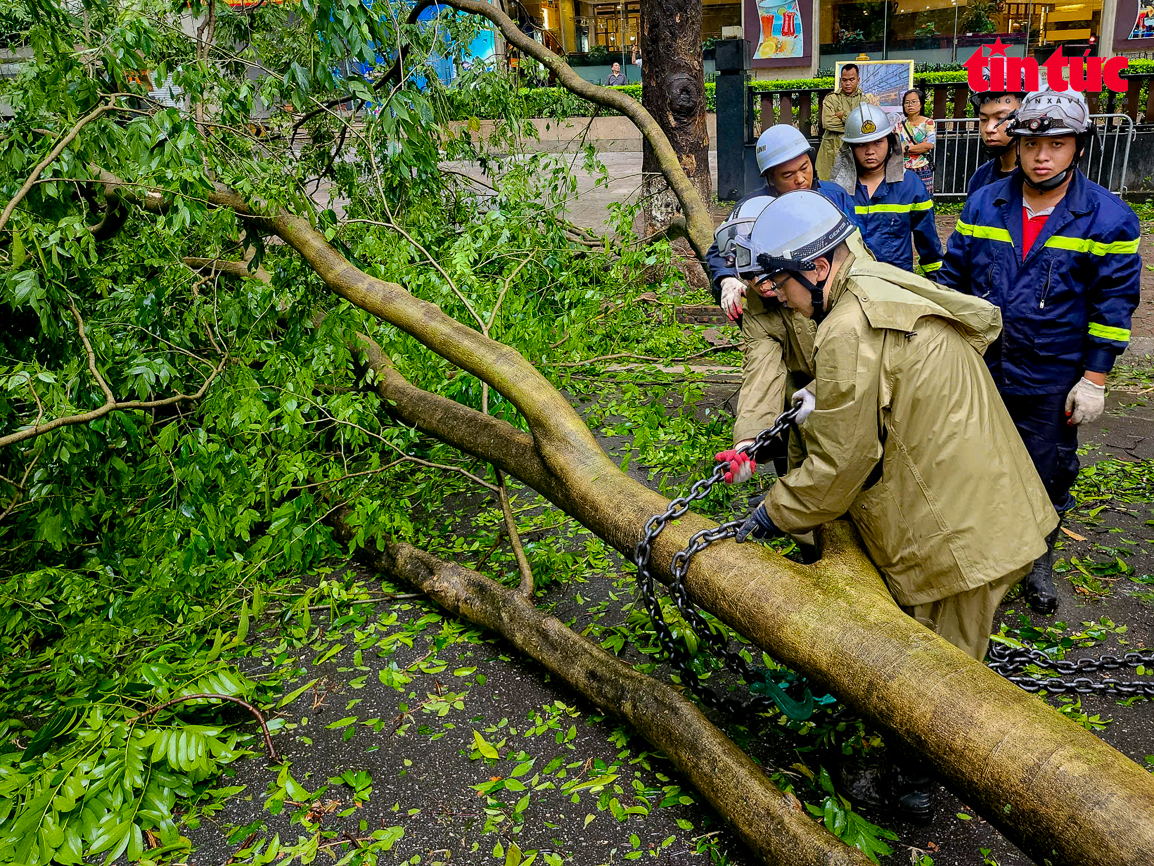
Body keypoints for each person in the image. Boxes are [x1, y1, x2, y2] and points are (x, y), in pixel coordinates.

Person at [726, 190, 1058, 818]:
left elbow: (838, 466)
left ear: (817, 268)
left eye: (782, 284)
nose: (779, 297)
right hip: (983, 493)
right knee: (945, 650)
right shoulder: (870, 279)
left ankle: (913, 786)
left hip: (968, 530)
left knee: (938, 673)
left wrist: (773, 512)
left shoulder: (846, 330)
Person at [937, 89, 1141, 615]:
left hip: (1053, 373)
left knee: (1046, 468)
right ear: (1018, 144)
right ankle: (982, 552)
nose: (1042, 155)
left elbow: (1114, 304)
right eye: (1031, 143)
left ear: (1077, 146)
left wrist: (1094, 380)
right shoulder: (984, 202)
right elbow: (953, 281)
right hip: (984, 365)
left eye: (1056, 143)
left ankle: (1038, 559)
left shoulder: (1109, 219)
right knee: (975, 462)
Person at [707, 124, 862, 321]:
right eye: (788, 175)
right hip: (779, 308)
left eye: (805, 168)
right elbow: (720, 250)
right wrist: (727, 278)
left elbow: (857, 244)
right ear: (770, 178)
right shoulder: (754, 208)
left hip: (831, 301)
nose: (800, 179)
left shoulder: (834, 197)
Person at [829, 104, 943, 275]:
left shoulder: (910, 186)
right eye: (861, 144)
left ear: (890, 142)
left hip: (895, 285)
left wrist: (938, 286)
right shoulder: (837, 192)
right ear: (849, 148)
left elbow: (929, 245)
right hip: (850, 284)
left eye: (877, 142)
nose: (870, 151)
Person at [966, 71, 1027, 196]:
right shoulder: (980, 177)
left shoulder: (1043, 178)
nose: (989, 128)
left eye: (1001, 118)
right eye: (983, 119)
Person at [816, 64, 870, 180]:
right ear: (840, 80)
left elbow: (864, 125)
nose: (848, 83)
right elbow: (828, 122)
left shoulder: (864, 101)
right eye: (844, 80)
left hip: (855, 149)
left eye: (851, 79)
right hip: (832, 148)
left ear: (858, 80)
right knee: (829, 184)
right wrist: (854, 122)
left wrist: (843, 115)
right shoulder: (831, 99)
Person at [896, 88, 936, 195]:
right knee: (904, 199)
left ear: (921, 104)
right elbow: (896, 148)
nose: (910, 105)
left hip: (922, 168)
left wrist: (906, 148)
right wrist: (919, 146)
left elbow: (929, 145)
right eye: (907, 102)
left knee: (925, 199)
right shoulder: (899, 125)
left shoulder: (928, 122)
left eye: (914, 102)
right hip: (903, 169)